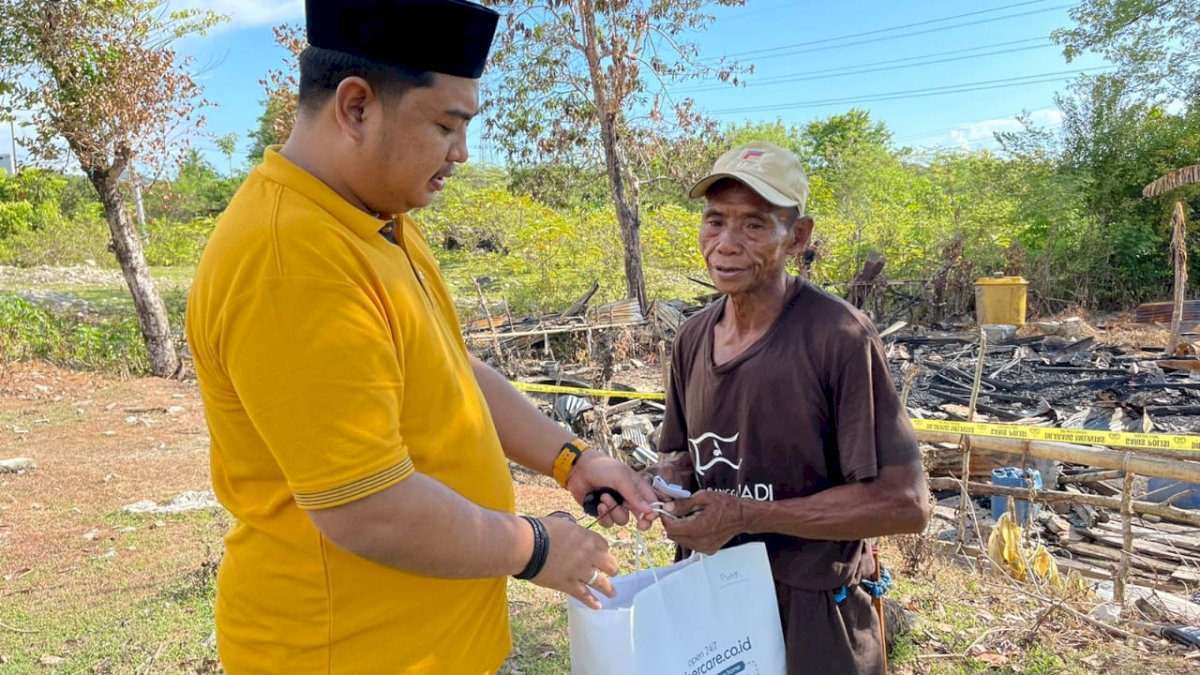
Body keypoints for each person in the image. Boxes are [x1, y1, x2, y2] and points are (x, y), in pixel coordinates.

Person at [185, 1, 655, 672]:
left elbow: (448, 367)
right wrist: (537, 548)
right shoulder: (290, 257)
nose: (460, 153)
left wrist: (571, 459)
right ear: (356, 108)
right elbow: (367, 509)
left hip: (442, 642)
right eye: (445, 124)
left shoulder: (373, 220)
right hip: (350, 653)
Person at [648, 140, 931, 674]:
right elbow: (681, 457)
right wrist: (656, 487)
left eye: (754, 225)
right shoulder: (690, 338)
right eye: (714, 221)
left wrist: (750, 515)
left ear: (797, 237)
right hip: (714, 597)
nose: (725, 244)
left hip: (812, 607)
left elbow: (906, 504)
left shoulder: (837, 335)